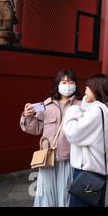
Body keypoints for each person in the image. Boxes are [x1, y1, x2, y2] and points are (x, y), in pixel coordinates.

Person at [63, 74, 108, 207]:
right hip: (98, 171)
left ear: (96, 89)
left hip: (87, 171)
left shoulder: (96, 111)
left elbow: (73, 133)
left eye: (88, 87)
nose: (85, 89)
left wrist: (73, 110)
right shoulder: (105, 110)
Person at [20, 69, 81, 207]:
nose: (67, 85)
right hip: (48, 158)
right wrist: (27, 115)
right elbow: (35, 128)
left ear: (76, 85)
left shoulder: (81, 105)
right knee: (47, 192)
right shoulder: (45, 105)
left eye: (71, 82)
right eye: (64, 82)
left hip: (69, 158)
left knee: (66, 193)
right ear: (57, 84)